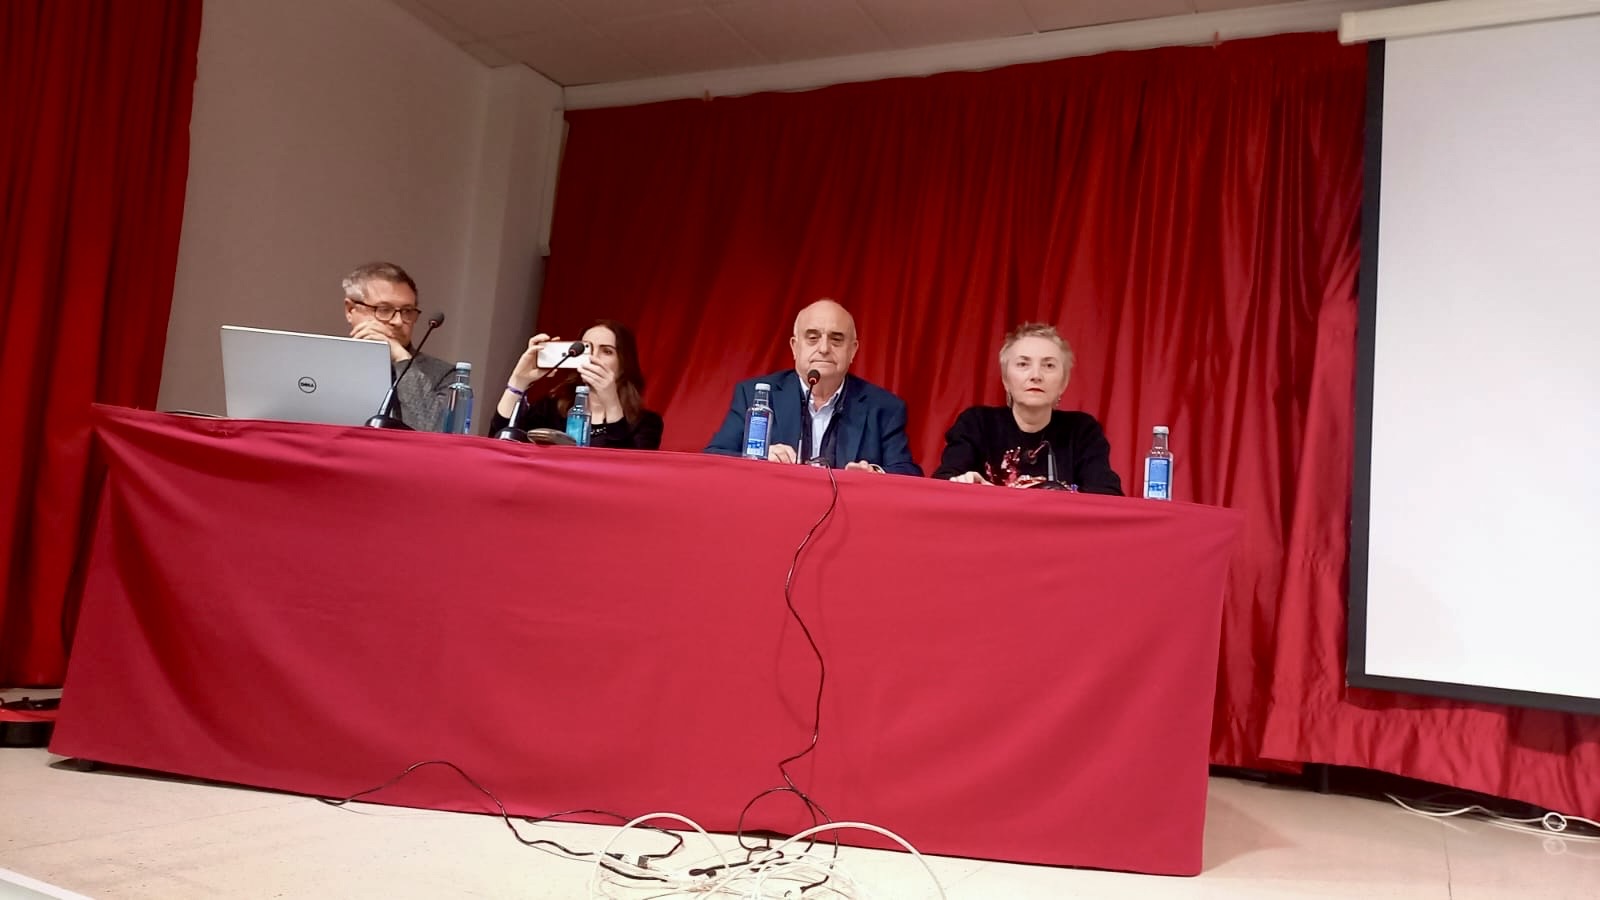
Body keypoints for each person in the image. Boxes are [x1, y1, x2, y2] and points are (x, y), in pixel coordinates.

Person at [704, 299, 920, 475]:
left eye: (836, 339)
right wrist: (759, 457)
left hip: (849, 513)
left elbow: (908, 473)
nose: (824, 348)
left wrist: (875, 473)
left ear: (853, 350)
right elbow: (714, 457)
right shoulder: (754, 395)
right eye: (813, 338)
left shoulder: (884, 408)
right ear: (794, 347)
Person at [931, 323, 1122, 495]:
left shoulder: (1082, 431)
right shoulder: (976, 423)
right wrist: (965, 484)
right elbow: (943, 483)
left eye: (1049, 365)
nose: (1036, 375)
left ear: (1064, 383)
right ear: (1006, 380)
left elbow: (1107, 496)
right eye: (1023, 364)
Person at [489, 320, 663, 450]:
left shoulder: (647, 423)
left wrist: (611, 404)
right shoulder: (550, 409)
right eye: (586, 348)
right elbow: (499, 442)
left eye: (607, 351)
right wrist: (518, 382)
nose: (593, 357)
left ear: (624, 364)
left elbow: (628, 470)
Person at [342, 261, 453, 430]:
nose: (398, 321)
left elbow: (432, 431)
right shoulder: (325, 365)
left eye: (407, 311)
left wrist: (402, 359)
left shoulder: (443, 375)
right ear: (351, 310)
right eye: (384, 309)